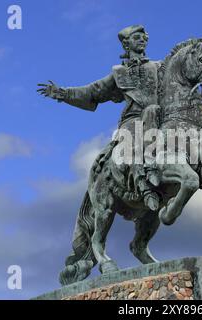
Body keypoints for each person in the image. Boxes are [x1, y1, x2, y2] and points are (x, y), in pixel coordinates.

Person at [37, 25, 162, 211]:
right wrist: (63, 93)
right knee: (132, 139)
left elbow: (178, 82)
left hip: (158, 116)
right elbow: (93, 91)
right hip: (132, 119)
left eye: (144, 37)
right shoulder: (119, 73)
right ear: (126, 44)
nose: (142, 40)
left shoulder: (159, 67)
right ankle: (143, 184)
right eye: (137, 37)